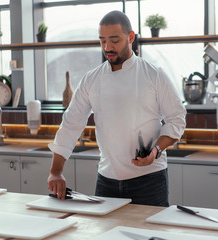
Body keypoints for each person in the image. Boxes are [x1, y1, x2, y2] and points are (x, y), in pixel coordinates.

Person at [47, 10, 186, 207]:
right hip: (106, 182)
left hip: (150, 181)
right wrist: (56, 172)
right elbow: (71, 124)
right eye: (102, 41)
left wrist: (156, 150)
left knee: (150, 237)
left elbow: (177, 118)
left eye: (114, 40)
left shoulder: (154, 75)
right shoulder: (91, 79)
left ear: (130, 37)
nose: (107, 47)